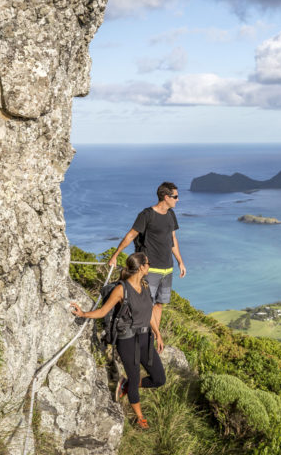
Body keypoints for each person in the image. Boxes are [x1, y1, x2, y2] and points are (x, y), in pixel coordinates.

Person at [70, 252, 165, 430]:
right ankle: (139, 418)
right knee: (135, 377)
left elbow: (149, 312)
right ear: (141, 267)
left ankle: (126, 384)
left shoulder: (144, 285)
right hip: (128, 340)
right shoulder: (121, 289)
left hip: (146, 338)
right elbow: (103, 311)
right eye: (148, 263)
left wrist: (158, 333)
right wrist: (83, 314)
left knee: (159, 379)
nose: (150, 266)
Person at [108, 182, 185, 332]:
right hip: (150, 269)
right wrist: (115, 255)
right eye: (175, 196)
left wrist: (180, 262)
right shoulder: (147, 215)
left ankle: (154, 336)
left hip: (167, 269)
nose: (178, 199)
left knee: (159, 304)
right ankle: (143, 335)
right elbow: (131, 235)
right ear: (165, 197)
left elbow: (173, 239)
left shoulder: (171, 214)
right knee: (146, 304)